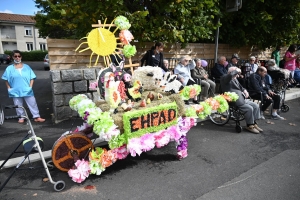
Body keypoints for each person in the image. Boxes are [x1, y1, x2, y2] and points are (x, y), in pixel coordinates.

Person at [1, 50, 45, 123]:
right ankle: (21, 117)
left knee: (32, 103)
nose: (17, 58)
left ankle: (36, 116)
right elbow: (5, 79)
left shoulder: (27, 67)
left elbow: (32, 77)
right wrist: (9, 88)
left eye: (19, 56)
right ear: (13, 57)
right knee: (18, 105)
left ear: (21, 57)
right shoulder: (9, 68)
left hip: (27, 89)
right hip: (15, 90)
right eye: (15, 56)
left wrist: (30, 86)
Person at [220, 67, 262, 134]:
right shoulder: (224, 77)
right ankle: (249, 126)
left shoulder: (235, 78)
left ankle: (254, 123)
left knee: (256, 106)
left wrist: (245, 90)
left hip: (241, 98)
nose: (237, 75)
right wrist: (236, 70)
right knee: (249, 108)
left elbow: (240, 87)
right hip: (234, 100)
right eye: (236, 74)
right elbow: (230, 76)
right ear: (231, 72)